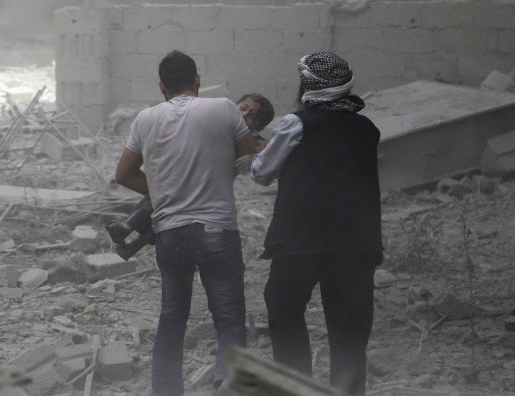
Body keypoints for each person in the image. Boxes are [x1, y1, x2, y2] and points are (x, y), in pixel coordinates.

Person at [115, 50, 258, 396]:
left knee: (172, 318)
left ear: (161, 86)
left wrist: (164, 189)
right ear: (198, 79)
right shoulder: (224, 108)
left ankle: (166, 391)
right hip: (217, 230)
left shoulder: (145, 119)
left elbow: (123, 174)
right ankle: (227, 381)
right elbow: (249, 157)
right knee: (229, 318)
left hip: (170, 234)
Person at [250, 52, 383, 396]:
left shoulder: (296, 123)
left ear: (308, 85)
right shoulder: (367, 129)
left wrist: (260, 151)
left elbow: (262, 173)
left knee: (283, 306)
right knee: (349, 334)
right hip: (355, 246)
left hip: (300, 241)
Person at [106, 93, 275, 259]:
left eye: (253, 117)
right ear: (233, 107)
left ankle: (127, 229)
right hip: (190, 182)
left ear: (259, 127)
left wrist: (253, 157)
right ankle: (131, 244)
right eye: (243, 108)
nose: (244, 115)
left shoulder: (255, 142)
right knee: (162, 207)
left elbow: (270, 157)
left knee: (162, 198)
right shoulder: (217, 121)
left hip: (210, 193)